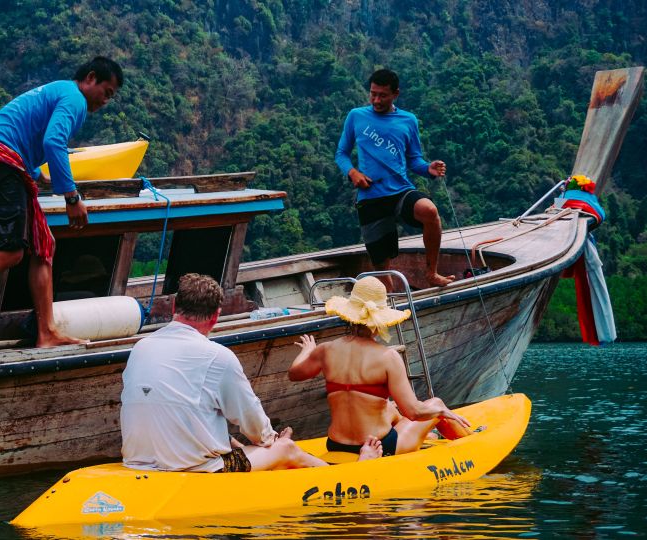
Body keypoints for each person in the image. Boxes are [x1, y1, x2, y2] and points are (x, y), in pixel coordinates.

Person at [0, 57, 122, 351]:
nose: (106, 101)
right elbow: (54, 142)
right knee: (11, 250)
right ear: (91, 78)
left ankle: (46, 332)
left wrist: (40, 176)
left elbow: (24, 133)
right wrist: (71, 197)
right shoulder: (74, 98)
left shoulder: (59, 91)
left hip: (2, 162)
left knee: (43, 245)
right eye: (107, 92)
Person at [121, 273, 382, 473]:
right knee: (285, 448)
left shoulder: (140, 347)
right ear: (215, 317)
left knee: (232, 438)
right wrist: (271, 440)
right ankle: (357, 472)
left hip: (137, 463)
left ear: (175, 305)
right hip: (195, 470)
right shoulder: (217, 356)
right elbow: (253, 421)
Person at [288, 276, 471, 457]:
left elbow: (294, 374)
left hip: (336, 445)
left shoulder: (326, 349)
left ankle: (428, 436)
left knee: (389, 408)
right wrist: (440, 411)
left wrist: (307, 350)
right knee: (435, 403)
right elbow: (413, 412)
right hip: (381, 447)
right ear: (380, 321)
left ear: (350, 316)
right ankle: (472, 441)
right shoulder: (388, 357)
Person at [335, 68, 454, 288]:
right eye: (373, 94)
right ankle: (392, 312)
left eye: (382, 95)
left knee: (430, 212)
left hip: (400, 191)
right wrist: (353, 172)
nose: (376, 100)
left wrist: (429, 168)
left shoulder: (408, 120)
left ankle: (432, 273)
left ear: (395, 94)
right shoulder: (356, 116)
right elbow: (341, 153)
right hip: (371, 198)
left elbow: (414, 160)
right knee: (384, 276)